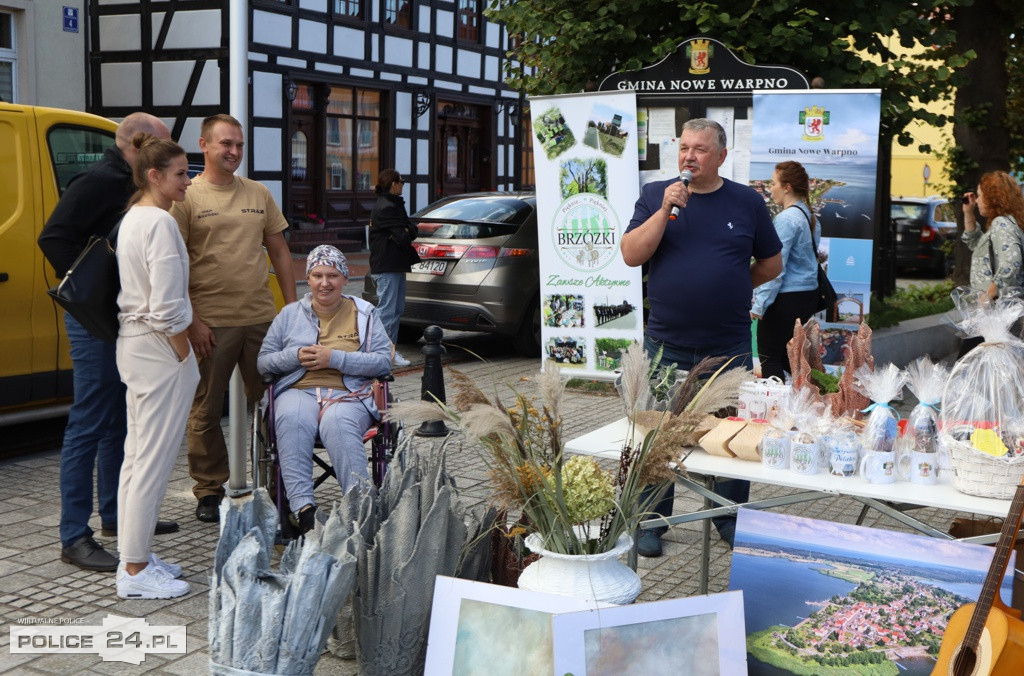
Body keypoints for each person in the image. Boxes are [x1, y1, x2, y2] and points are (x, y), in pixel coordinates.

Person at [621, 118, 782, 556]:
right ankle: (652, 520)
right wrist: (664, 211)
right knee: (658, 436)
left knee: (731, 434)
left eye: (701, 149)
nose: (689, 156)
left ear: (722, 156)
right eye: (685, 148)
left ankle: (729, 517)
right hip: (666, 344)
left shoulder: (746, 201)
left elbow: (772, 264)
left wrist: (734, 283)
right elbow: (632, 254)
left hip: (726, 345)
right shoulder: (658, 195)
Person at [38, 112, 179, 572]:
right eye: (160, 145)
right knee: (91, 421)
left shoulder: (130, 184)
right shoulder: (98, 180)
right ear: (136, 148)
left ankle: (118, 514)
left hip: (120, 321)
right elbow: (53, 237)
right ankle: (73, 534)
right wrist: (90, 290)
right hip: (95, 320)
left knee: (122, 419)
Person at [171, 114, 297, 523]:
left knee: (276, 404)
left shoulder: (258, 193)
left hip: (261, 318)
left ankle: (280, 479)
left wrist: (292, 311)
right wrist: (192, 321)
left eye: (239, 145)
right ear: (203, 145)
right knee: (205, 409)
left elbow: (279, 251)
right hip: (211, 322)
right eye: (226, 143)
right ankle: (209, 490)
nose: (234, 152)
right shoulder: (187, 196)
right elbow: (175, 264)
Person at [114, 133, 198, 599]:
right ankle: (135, 568)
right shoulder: (160, 223)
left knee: (137, 459)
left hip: (137, 345)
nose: (189, 181)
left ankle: (136, 555)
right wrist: (183, 354)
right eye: (182, 173)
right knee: (151, 461)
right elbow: (167, 308)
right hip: (157, 349)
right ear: (154, 176)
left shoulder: (134, 217)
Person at [257, 246, 392, 532]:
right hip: (298, 389)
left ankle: (361, 509)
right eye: (317, 275)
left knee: (338, 424)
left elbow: (382, 362)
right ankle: (303, 512)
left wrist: (335, 359)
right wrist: (294, 356)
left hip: (349, 395)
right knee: (292, 419)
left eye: (332, 275)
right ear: (308, 278)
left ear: (344, 278)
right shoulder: (289, 314)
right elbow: (264, 362)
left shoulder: (365, 313)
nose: (324, 283)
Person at [751, 161, 821, 379]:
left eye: (773, 183)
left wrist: (760, 304)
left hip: (786, 299)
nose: (770, 188)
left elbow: (775, 268)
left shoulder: (786, 219)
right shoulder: (809, 216)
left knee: (769, 356)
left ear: (787, 186)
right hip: (807, 295)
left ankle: (775, 411)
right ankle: (802, 404)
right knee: (789, 358)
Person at [959, 171, 1024, 356]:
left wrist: (989, 295)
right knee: (984, 369)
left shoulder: (1001, 224)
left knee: (966, 366)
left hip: (994, 311)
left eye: (980, 195)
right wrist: (968, 212)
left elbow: (1011, 263)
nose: (977, 200)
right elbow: (977, 244)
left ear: (993, 197)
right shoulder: (1009, 223)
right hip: (996, 311)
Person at [369, 169, 420, 367]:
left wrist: (405, 229)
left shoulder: (394, 205)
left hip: (396, 263)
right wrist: (405, 230)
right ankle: (381, 351)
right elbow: (404, 236)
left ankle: (389, 350)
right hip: (387, 265)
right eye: (402, 182)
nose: (403, 185)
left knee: (396, 309)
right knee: (387, 310)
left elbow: (410, 230)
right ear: (393, 184)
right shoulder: (386, 208)